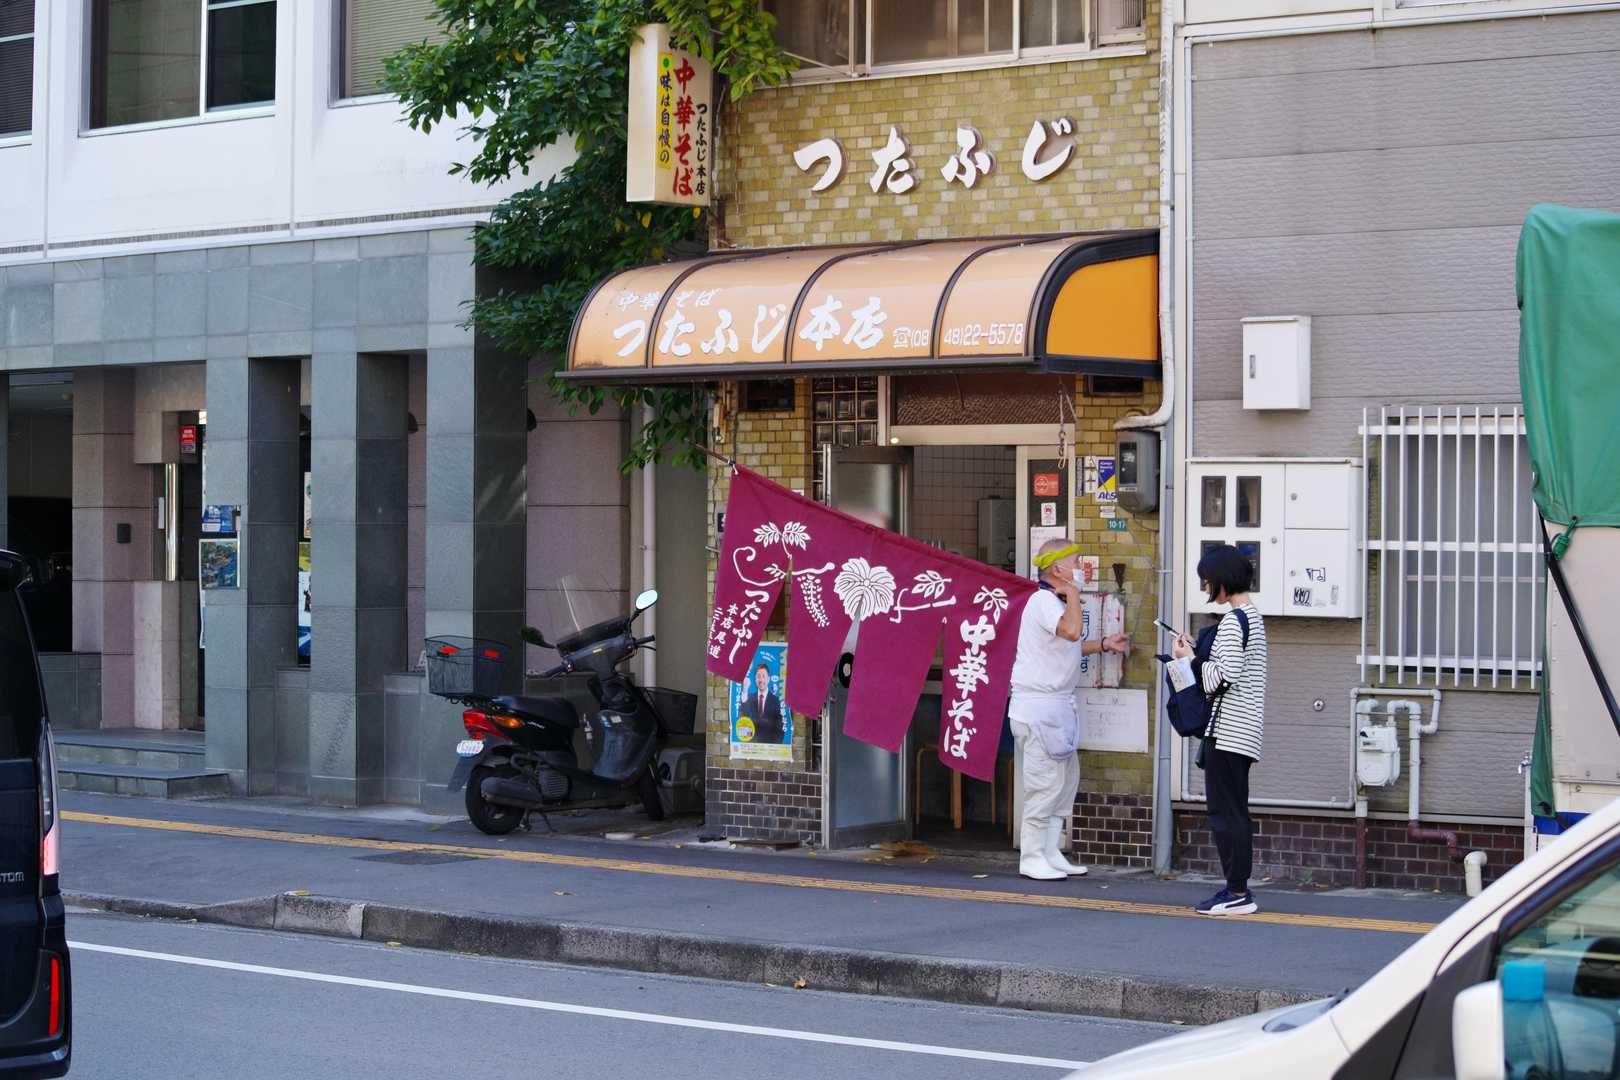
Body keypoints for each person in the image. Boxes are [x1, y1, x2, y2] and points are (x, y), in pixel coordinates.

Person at [1009, 538, 1129, 882]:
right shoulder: (1043, 601)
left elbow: (1067, 645)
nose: (1081, 567)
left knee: (1063, 785)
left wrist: (1104, 644)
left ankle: (1050, 851)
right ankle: (1032, 857)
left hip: (1055, 709)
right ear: (1059, 568)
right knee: (1044, 786)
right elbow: (1071, 631)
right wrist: (1074, 595)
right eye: (1076, 561)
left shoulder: (1053, 602)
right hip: (1039, 710)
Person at [1173, 545, 1268, 917]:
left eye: (1208, 581)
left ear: (1222, 582)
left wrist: (1190, 659)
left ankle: (1237, 891)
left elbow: (1220, 678)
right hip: (1244, 731)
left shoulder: (1232, 621)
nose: (1206, 588)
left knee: (1225, 813)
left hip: (1228, 731)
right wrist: (1199, 654)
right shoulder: (1252, 616)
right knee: (1235, 812)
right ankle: (1237, 888)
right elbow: (1234, 669)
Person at [748, 662, 785, 744]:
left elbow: (780, 729)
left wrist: (773, 747)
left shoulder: (776, 701)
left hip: (771, 747)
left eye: (763, 676)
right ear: (755, 679)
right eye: (758, 676)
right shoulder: (749, 699)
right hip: (752, 747)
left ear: (768, 679)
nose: (761, 680)